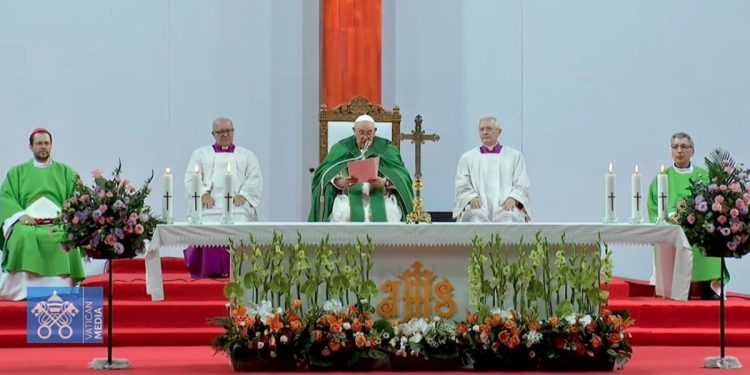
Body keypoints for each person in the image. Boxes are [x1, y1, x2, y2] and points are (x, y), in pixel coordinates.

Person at [0, 128, 85, 301]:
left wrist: (67, 215)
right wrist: (19, 215)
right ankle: (22, 290)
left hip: (58, 222)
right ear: (30, 147)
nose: (43, 147)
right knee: (22, 235)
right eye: (39, 143)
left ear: (51, 145)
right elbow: (5, 197)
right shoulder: (17, 173)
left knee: (67, 235)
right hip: (27, 223)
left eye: (46, 143)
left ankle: (62, 290)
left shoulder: (66, 172)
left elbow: (78, 197)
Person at [647, 132, 727, 300]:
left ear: (693, 151)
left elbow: (714, 204)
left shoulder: (703, 176)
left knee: (709, 236)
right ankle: (677, 288)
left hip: (699, 226)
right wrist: (669, 218)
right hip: (672, 228)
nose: (679, 151)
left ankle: (709, 286)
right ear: (671, 151)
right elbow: (653, 207)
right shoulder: (661, 178)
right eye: (675, 147)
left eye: (684, 147)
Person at [182, 117, 263, 278]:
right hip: (210, 202)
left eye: (229, 131)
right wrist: (203, 193)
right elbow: (192, 177)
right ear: (213, 134)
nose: (225, 135)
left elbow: (255, 177)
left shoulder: (247, 155)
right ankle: (210, 268)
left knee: (240, 218)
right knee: (206, 220)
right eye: (221, 132)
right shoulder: (200, 154)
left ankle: (240, 268)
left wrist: (244, 194)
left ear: (233, 131)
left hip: (236, 202)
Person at [308, 114, 414, 222]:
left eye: (369, 133)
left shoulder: (387, 149)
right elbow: (324, 173)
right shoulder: (341, 148)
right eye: (361, 132)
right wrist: (339, 182)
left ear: (375, 131)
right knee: (343, 212)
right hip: (348, 197)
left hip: (381, 196)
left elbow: (403, 176)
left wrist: (385, 182)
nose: (365, 137)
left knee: (390, 212)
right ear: (354, 131)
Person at [453, 117, 531, 222]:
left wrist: (514, 198)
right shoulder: (467, 157)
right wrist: (471, 197)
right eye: (481, 129)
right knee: (474, 215)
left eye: (489, 128)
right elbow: (462, 182)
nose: (485, 132)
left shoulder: (514, 156)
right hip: (478, 205)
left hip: (505, 205)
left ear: (499, 132)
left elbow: (521, 182)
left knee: (509, 216)